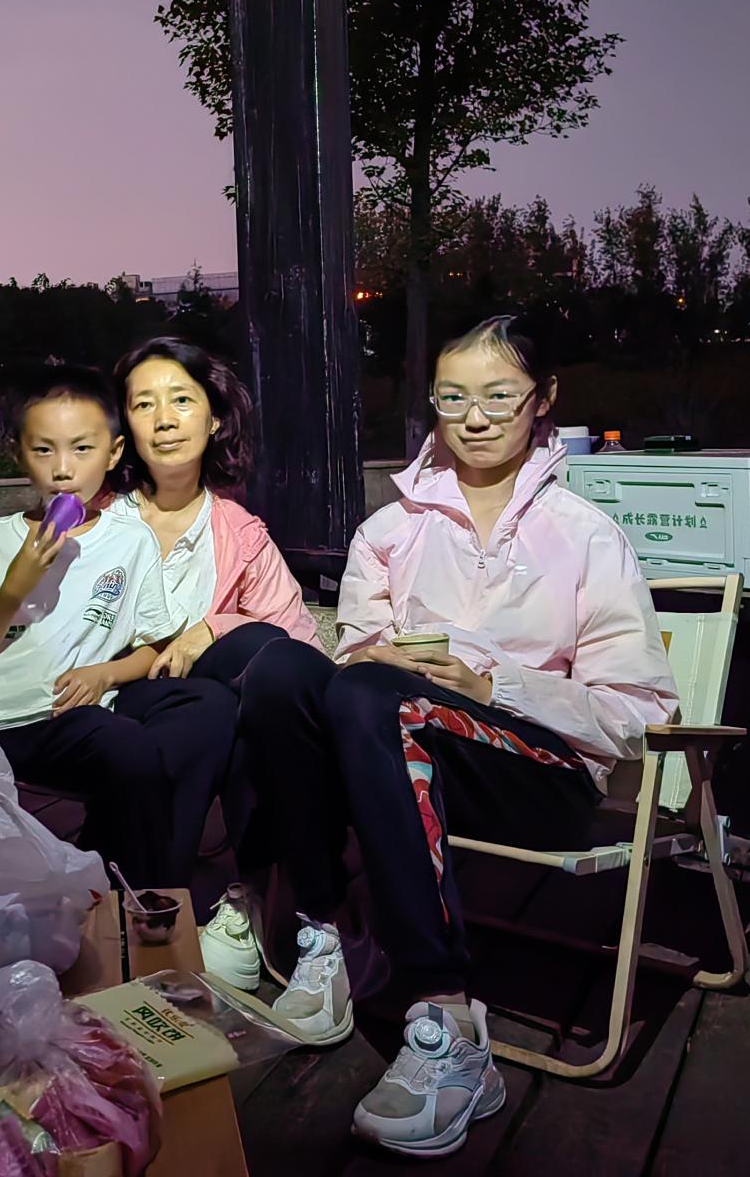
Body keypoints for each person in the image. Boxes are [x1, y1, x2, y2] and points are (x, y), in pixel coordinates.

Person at [232, 314, 677, 1159]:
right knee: (285, 670)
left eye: (498, 397)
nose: (474, 418)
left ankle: (445, 1015)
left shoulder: (585, 535)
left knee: (376, 696)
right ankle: (328, 933)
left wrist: (492, 684)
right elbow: (355, 662)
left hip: (538, 776)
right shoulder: (389, 532)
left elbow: (641, 711)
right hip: (402, 755)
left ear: (543, 399)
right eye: (452, 398)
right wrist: (378, 661)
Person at [0, 364, 239, 889]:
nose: (63, 469)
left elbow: (155, 645)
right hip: (4, 719)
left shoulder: (130, 540)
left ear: (114, 453)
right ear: (18, 455)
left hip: (82, 711)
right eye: (43, 450)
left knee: (204, 705)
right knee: (130, 751)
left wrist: (105, 674)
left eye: (81, 449)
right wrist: (15, 586)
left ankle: (127, 886)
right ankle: (132, 891)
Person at [107, 336, 322, 985]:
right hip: (114, 697)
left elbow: (300, 653)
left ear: (215, 418)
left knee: (248, 686)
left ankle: (231, 904)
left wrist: (213, 628)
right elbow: (10, 601)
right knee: (230, 688)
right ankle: (261, 903)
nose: (165, 420)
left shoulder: (239, 534)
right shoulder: (95, 518)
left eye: (181, 400)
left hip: (206, 710)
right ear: (124, 427)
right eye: (144, 404)